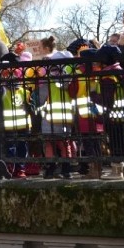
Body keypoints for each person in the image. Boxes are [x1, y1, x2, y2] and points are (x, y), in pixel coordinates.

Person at [38, 35, 75, 179]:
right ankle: (66, 170)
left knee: (49, 143)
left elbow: (42, 94)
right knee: (65, 142)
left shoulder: (48, 74)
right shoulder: (69, 72)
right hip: (66, 113)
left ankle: (50, 169)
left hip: (50, 113)